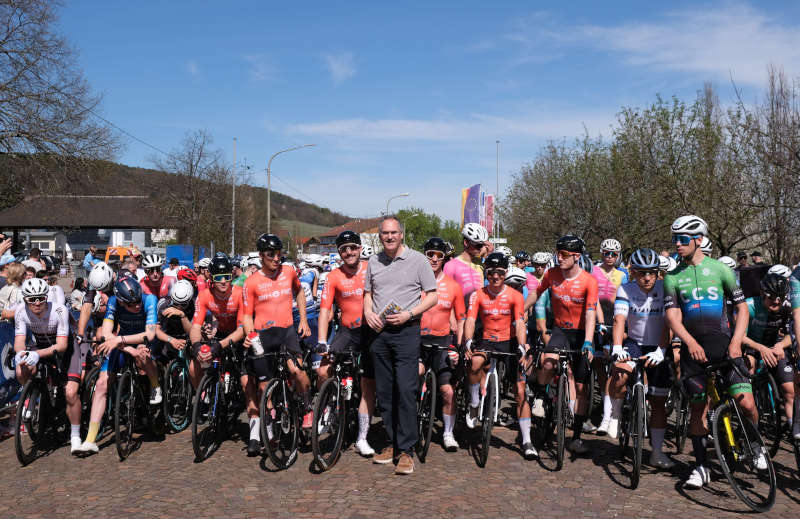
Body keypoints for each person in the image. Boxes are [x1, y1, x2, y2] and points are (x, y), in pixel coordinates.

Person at [662, 215, 761, 489]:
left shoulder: (721, 270)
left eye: (682, 240)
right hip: (695, 349)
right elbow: (672, 317)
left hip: (724, 345)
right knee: (699, 409)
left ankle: (755, 445)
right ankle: (701, 466)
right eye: (674, 240)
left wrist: (737, 341)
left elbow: (741, 309)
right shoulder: (671, 276)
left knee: (746, 402)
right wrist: (688, 343)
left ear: (698, 240)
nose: (677, 245)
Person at [363, 216, 437, 475]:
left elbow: (433, 296)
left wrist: (411, 314)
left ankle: (407, 450)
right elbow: (368, 293)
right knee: (385, 392)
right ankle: (393, 443)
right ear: (380, 236)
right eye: (385, 233)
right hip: (379, 333)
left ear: (401, 235)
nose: (390, 237)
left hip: (406, 331)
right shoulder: (374, 261)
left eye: (394, 233)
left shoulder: (418, 260)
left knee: (405, 389)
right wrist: (367, 312)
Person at [524, 234, 599, 455]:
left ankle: (576, 436)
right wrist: (520, 310)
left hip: (581, 333)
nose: (559, 257)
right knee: (548, 363)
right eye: (557, 252)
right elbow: (536, 293)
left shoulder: (588, 281)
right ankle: (539, 395)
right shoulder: (552, 273)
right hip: (560, 331)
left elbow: (591, 313)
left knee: (583, 389)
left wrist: (588, 341)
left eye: (564, 254)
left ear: (576, 256)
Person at [73, 276, 161, 456]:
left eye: (138, 302)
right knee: (101, 385)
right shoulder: (113, 302)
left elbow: (150, 334)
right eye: (130, 305)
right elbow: (106, 333)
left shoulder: (150, 299)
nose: (136, 306)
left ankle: (155, 385)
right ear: (120, 301)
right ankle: (90, 440)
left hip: (141, 341)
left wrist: (120, 341)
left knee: (143, 354)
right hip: (124, 344)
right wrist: (128, 348)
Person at [242, 234, 312, 456]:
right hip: (263, 335)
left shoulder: (289, 272)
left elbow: (300, 292)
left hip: (287, 331)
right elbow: (246, 315)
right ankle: (270, 434)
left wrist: (302, 319)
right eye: (271, 254)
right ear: (261, 256)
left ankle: (307, 406)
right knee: (264, 387)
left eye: (279, 253)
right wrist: (250, 335)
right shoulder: (251, 282)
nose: (276, 258)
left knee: (297, 372)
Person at [608, 248, 674, 469]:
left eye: (651, 273)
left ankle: (656, 452)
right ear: (633, 273)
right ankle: (615, 413)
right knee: (619, 374)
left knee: (658, 402)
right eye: (641, 273)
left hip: (659, 345)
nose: (647, 278)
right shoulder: (625, 289)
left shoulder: (666, 289)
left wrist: (662, 350)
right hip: (634, 343)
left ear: (658, 273)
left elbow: (669, 323)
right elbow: (619, 319)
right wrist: (617, 346)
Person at [463, 252, 533, 458]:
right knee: (474, 363)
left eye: (500, 273)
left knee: (520, 391)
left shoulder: (515, 296)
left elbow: (520, 322)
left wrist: (522, 345)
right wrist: (468, 340)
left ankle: (527, 440)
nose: (495, 276)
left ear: (505, 273)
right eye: (491, 272)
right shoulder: (477, 294)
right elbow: (469, 319)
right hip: (486, 340)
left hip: (509, 342)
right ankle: (475, 404)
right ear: (486, 273)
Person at [316, 231, 377, 457]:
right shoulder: (333, 276)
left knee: (368, 384)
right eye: (343, 249)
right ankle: (330, 405)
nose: (349, 252)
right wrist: (322, 341)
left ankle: (362, 438)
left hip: (371, 331)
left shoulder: (372, 268)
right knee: (323, 370)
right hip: (347, 331)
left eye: (352, 247)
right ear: (339, 253)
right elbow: (324, 311)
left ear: (360, 248)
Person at [13, 279, 73, 449]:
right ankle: (32, 394)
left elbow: (62, 346)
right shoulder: (20, 311)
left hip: (61, 346)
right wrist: (21, 353)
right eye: (32, 299)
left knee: (69, 387)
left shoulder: (59, 310)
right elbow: (19, 341)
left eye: (41, 298)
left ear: (46, 297)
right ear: (25, 300)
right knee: (21, 369)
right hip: (39, 345)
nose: (37, 302)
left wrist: (36, 354)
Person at [419, 237, 465, 452]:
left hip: (443, 342)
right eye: (430, 254)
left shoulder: (453, 286)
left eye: (439, 255)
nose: (434, 259)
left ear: (445, 257)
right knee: (414, 381)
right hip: (417, 341)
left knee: (447, 391)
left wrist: (459, 346)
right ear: (425, 256)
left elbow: (462, 319)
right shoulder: (414, 281)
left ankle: (448, 433)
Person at [742, 274, 795, 433]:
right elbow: (740, 337)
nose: (777, 301)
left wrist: (781, 345)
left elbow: (794, 334)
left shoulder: (788, 306)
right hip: (752, 345)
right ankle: (749, 416)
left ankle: (794, 430)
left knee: (790, 390)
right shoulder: (749, 306)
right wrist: (761, 348)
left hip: (775, 346)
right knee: (749, 367)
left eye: (780, 297)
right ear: (762, 294)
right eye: (772, 297)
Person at [592, 238, 629, 435]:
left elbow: (625, 300)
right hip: (598, 320)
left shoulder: (623, 274)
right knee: (599, 364)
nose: (610, 257)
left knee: (615, 366)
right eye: (606, 253)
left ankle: (611, 414)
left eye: (614, 254)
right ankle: (602, 392)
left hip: (615, 319)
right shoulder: (594, 271)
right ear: (601, 253)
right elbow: (592, 297)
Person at [443, 223, 490, 305]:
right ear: (466, 243)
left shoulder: (479, 267)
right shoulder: (451, 266)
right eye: (478, 245)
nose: (481, 248)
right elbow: (446, 298)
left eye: (482, 245)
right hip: (460, 315)